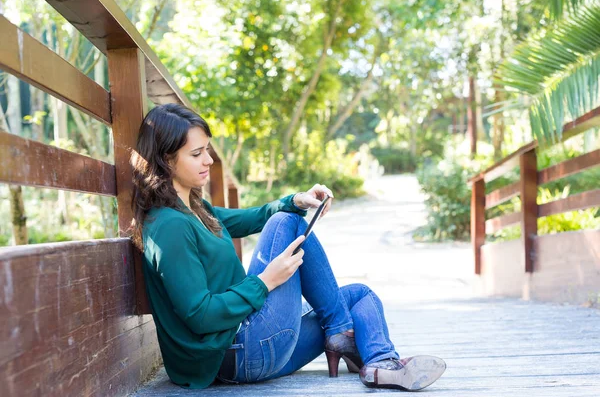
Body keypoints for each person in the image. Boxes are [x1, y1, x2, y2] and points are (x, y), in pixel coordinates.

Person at [130, 103, 446, 391]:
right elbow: (200, 315)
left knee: (360, 295)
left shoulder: (196, 209)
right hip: (230, 353)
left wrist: (294, 200)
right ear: (165, 159)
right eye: (197, 154)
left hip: (249, 342)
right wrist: (267, 280)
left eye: (208, 150)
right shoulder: (168, 226)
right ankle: (341, 332)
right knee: (287, 223)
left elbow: (247, 219)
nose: (209, 160)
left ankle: (380, 363)